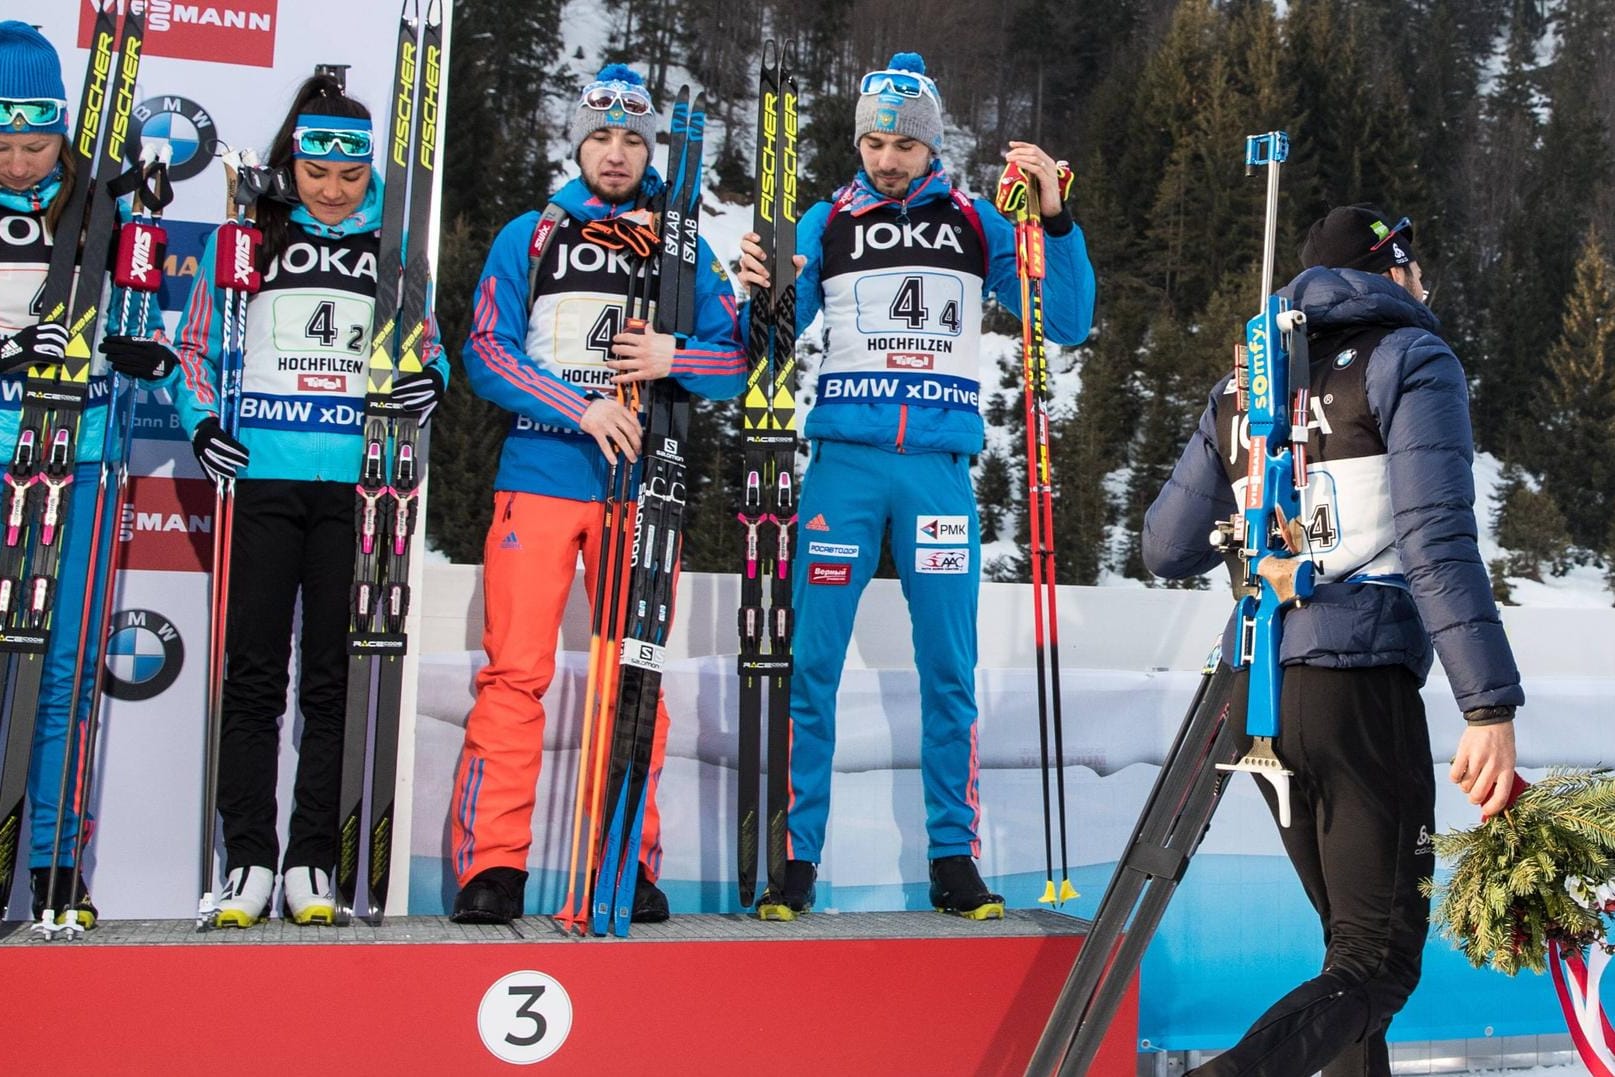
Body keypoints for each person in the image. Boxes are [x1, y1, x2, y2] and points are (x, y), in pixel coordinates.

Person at [1141, 204, 1522, 1076]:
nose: (1424, 287)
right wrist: (1487, 701)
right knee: (1374, 962)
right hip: (1357, 693)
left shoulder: (1248, 381)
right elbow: (1437, 538)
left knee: (1347, 963)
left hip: (1257, 700)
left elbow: (1163, 546)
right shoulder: (1409, 356)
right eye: (1418, 271)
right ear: (1392, 273)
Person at [735, 52, 1096, 920]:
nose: (886, 158)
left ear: (929, 144)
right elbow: (769, 349)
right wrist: (753, 292)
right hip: (844, 468)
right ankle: (796, 861)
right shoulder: (826, 218)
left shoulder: (975, 220)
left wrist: (1055, 215)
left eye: (901, 142)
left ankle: (951, 857)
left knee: (948, 670)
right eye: (871, 140)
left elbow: (1069, 318)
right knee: (811, 665)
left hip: (936, 474)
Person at [448, 63, 746, 925]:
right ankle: (494, 865)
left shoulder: (684, 243)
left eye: (632, 139)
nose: (615, 153)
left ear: (650, 147)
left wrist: (671, 361)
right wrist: (578, 407)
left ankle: (628, 855)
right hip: (540, 476)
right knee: (515, 676)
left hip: (640, 493)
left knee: (633, 675)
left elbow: (732, 360)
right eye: (600, 136)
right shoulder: (530, 235)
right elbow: (486, 351)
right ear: (577, 141)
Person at [165, 74, 447, 927]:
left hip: (355, 488)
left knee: (333, 681)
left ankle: (310, 860)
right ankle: (246, 856)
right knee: (254, 675)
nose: (330, 190)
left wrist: (428, 383)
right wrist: (203, 420)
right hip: (264, 478)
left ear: (371, 177)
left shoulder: (392, 254)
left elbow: (425, 347)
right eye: (316, 171)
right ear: (294, 162)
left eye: (349, 176)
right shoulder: (250, 236)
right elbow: (197, 345)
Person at [0, 21, 168, 927]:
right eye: (3, 145)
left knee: (61, 669)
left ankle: (56, 864)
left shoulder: (102, 207)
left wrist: (141, 355)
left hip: (80, 454)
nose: (21, 162)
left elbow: (152, 329)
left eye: (37, 143)